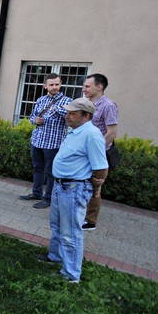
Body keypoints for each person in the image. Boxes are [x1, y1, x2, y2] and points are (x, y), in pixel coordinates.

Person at [37, 98, 108, 283]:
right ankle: (56, 256)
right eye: (67, 112)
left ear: (86, 116)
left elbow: (101, 167)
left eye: (72, 113)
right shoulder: (75, 130)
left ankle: (70, 275)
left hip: (74, 188)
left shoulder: (92, 134)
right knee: (57, 226)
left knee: (71, 233)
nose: (67, 116)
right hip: (61, 186)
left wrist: (96, 187)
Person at [19, 74, 71, 209]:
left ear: (60, 85)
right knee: (37, 168)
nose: (54, 87)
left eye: (57, 84)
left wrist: (56, 108)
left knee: (51, 173)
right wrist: (35, 120)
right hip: (37, 140)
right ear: (45, 86)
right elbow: (31, 116)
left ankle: (48, 198)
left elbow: (70, 118)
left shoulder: (67, 101)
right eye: (51, 84)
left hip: (53, 144)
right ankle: (36, 193)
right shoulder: (41, 100)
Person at [82, 73, 119, 231]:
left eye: (87, 86)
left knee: (95, 187)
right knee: (83, 183)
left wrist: (96, 150)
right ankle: (81, 214)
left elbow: (111, 132)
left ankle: (90, 222)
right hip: (84, 151)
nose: (84, 89)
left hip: (97, 154)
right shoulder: (86, 103)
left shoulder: (108, 106)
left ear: (99, 87)